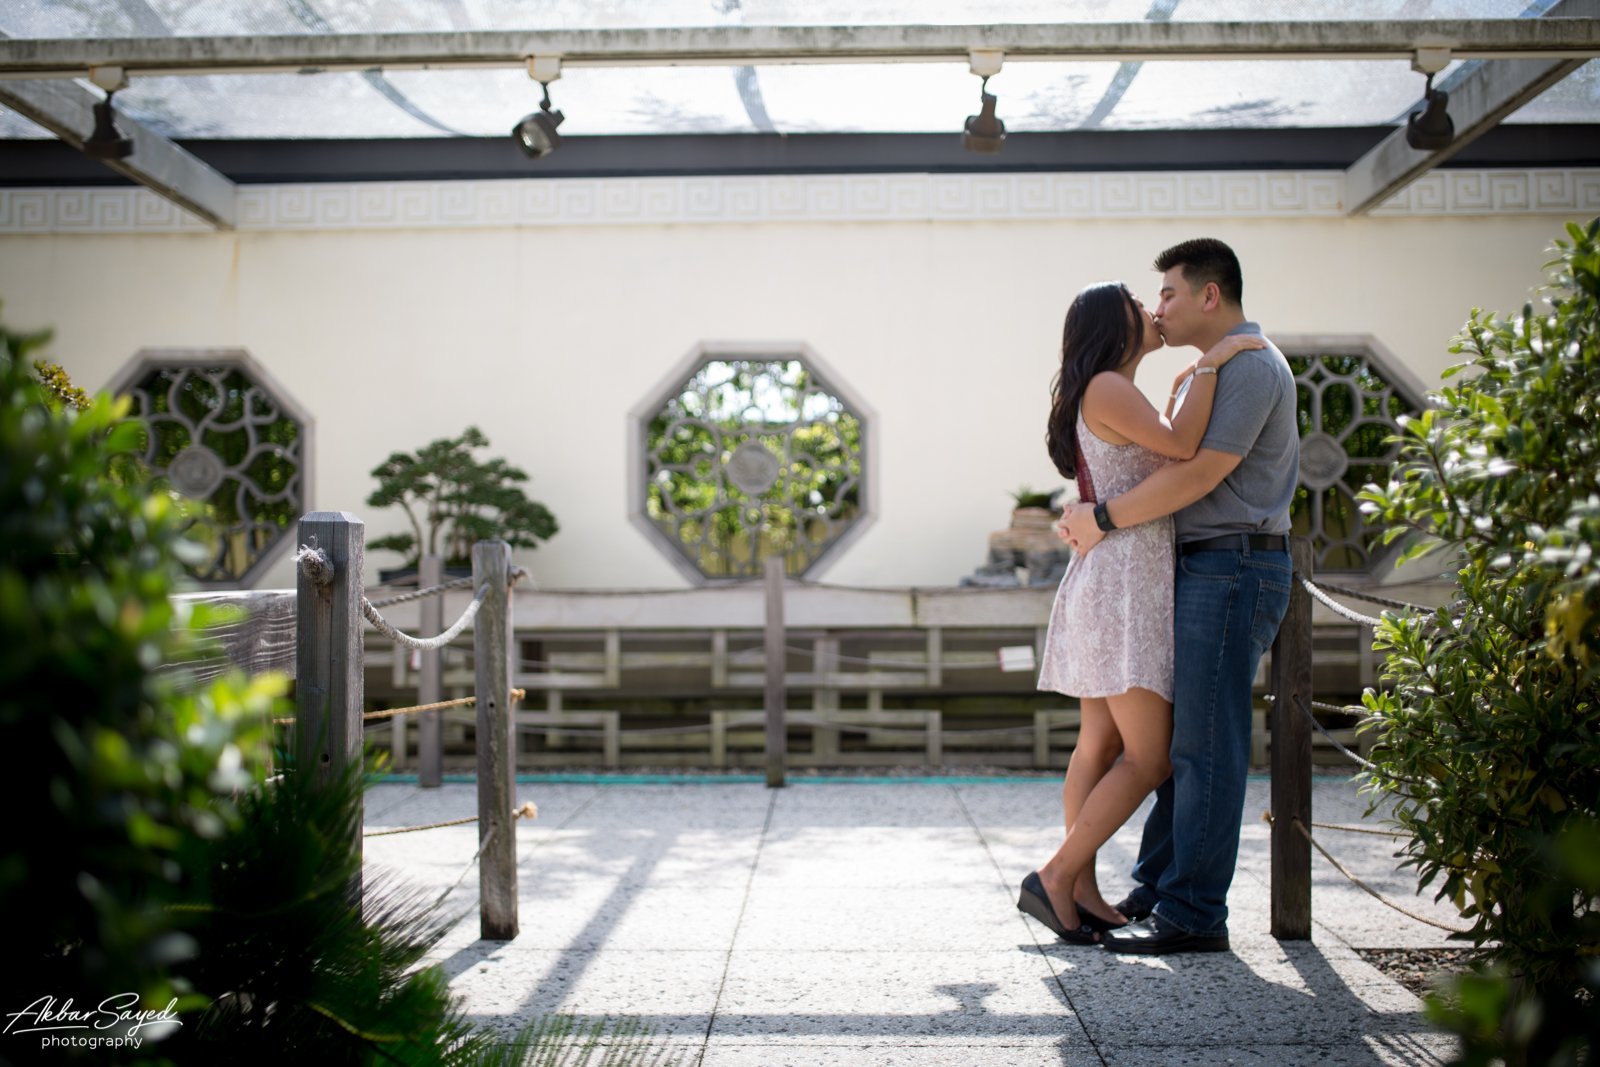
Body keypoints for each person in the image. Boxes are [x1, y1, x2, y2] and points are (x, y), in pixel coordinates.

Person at [1059, 238, 1299, 955]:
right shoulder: (1206, 371)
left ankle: (1190, 911)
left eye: (1165, 293)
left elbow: (1196, 473)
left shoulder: (1249, 366)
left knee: (1200, 746)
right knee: (1175, 745)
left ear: (1209, 296)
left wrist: (1100, 518)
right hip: (1197, 568)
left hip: (1231, 566)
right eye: (1149, 298)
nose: (1157, 306)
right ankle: (1159, 889)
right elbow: (1169, 456)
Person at [1016, 280, 1263, 945]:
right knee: (1150, 756)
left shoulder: (1103, 388)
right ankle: (1058, 874)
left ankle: (1083, 889)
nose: (1152, 309)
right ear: (1114, 324)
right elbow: (1184, 447)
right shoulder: (1107, 387)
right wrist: (1211, 364)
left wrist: (1192, 374)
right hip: (1126, 581)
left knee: (1100, 743)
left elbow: (1164, 444)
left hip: (1114, 576)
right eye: (1137, 301)